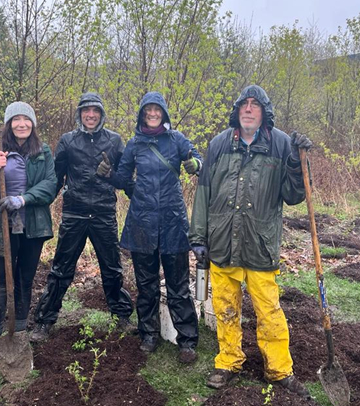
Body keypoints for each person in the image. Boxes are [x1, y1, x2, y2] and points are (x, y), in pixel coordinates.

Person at [189, 85, 312, 396]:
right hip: (221, 242)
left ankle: (279, 369)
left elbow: (294, 195)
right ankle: (228, 361)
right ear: (237, 109)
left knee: (269, 310)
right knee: (225, 307)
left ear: (264, 112)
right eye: (244, 104)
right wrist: (198, 237)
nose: (248, 109)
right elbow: (203, 193)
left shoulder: (281, 144)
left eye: (255, 105)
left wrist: (298, 163)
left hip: (259, 243)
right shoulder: (219, 144)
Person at [97, 91, 201, 364]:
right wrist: (108, 175)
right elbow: (122, 179)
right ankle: (148, 334)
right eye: (148, 111)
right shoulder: (134, 144)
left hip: (172, 221)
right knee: (146, 284)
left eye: (157, 110)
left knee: (178, 286)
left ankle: (187, 340)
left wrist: (195, 163)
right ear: (142, 114)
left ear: (164, 114)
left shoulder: (176, 139)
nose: (152, 114)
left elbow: (198, 159)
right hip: (142, 221)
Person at [31, 92, 135, 342]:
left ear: (101, 114)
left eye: (95, 111)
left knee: (111, 268)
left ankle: (121, 316)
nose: (91, 115)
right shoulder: (68, 141)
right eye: (86, 111)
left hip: (103, 212)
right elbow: (56, 177)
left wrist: (139, 198)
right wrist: (43, 201)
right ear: (80, 114)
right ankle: (45, 321)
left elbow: (123, 178)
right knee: (61, 269)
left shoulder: (114, 141)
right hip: (74, 212)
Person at [0, 101, 58, 363]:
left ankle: (19, 331)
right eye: (16, 120)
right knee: (0, 284)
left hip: (33, 226)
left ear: (33, 124)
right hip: (3, 228)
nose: (22, 124)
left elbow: (51, 185)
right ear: (9, 124)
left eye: (27, 119)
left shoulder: (43, 152)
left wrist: (23, 199)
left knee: (25, 279)